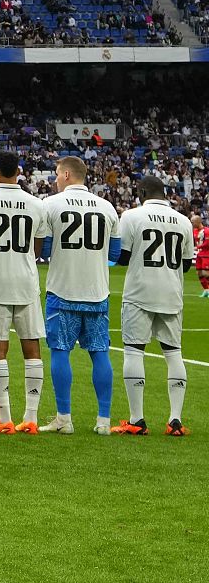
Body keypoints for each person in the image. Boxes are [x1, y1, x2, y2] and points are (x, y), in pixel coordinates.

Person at [40, 156, 121, 435]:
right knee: (100, 354)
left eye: (55, 175)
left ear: (65, 175)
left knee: (60, 351)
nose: (54, 180)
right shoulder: (108, 207)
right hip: (97, 292)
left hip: (63, 290)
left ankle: (64, 418)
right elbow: (114, 254)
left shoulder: (50, 204)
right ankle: (104, 421)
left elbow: (44, 249)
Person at [0, 152, 51, 434]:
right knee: (32, 348)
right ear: (19, 171)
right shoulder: (36, 204)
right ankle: (30, 418)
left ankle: (4, 417)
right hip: (26, 281)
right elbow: (38, 249)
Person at [114, 177, 193, 436]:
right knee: (173, 353)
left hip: (140, 292)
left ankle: (137, 420)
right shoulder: (183, 221)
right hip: (171, 293)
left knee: (134, 352)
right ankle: (175, 421)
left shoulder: (132, 216)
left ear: (142, 192)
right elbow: (186, 264)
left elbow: (122, 258)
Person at [193, 214, 209, 298]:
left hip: (206, 254)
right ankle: (206, 290)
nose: (192, 224)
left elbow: (207, 243)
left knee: (206, 273)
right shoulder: (194, 231)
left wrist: (198, 247)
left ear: (198, 222)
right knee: (199, 273)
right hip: (199, 255)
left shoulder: (206, 231)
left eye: (193, 222)